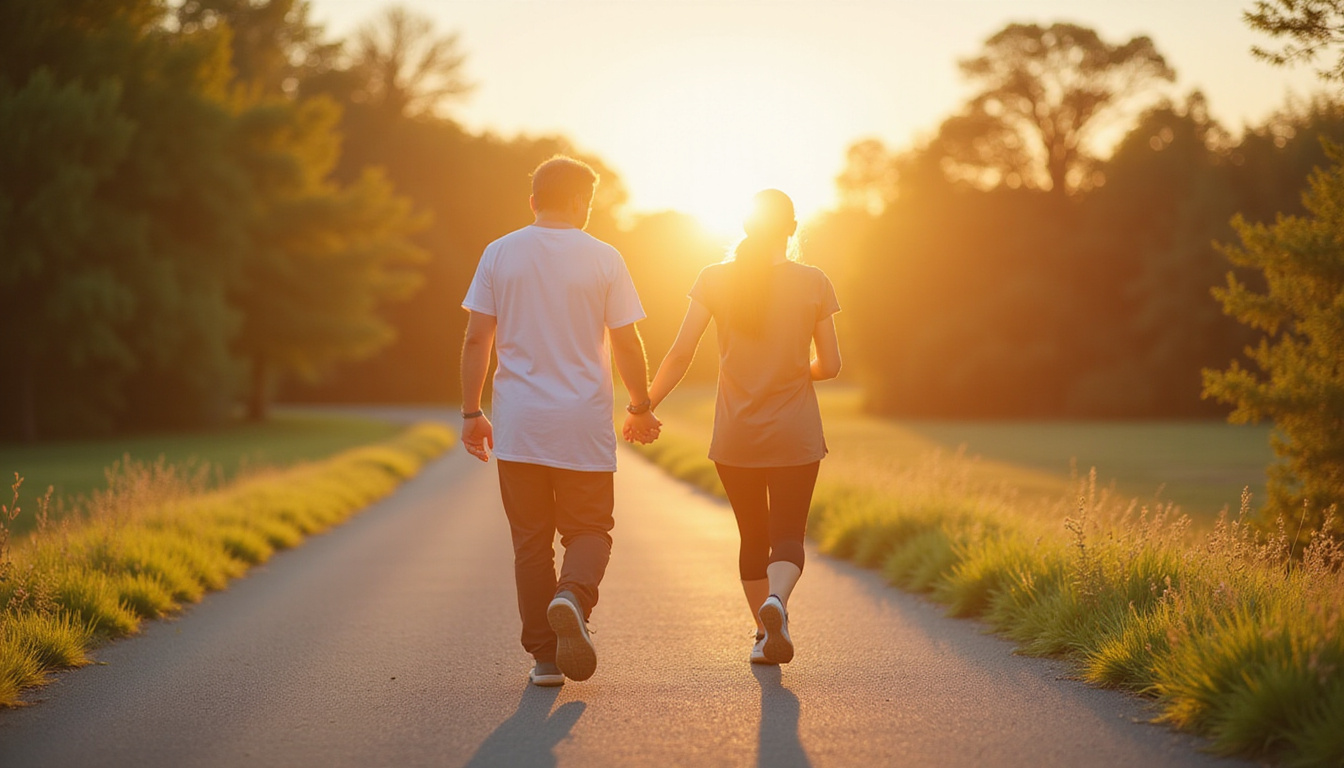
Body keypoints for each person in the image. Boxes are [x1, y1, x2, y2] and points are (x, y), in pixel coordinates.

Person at [460, 155, 662, 687]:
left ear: (533, 201)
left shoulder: (499, 253)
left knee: (530, 543)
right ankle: (571, 596)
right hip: (581, 424)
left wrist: (470, 412)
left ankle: (545, 660)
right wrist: (640, 406)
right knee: (590, 529)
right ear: (578, 202)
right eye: (588, 203)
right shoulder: (604, 258)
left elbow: (477, 338)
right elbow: (625, 341)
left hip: (520, 425)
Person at [639, 189, 841, 665]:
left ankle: (763, 633)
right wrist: (796, 370)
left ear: (745, 226)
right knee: (788, 533)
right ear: (791, 228)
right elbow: (831, 365)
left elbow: (680, 353)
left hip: (736, 435)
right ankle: (777, 604)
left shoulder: (713, 279)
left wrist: (643, 405)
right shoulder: (814, 281)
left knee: (753, 536)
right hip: (795, 432)